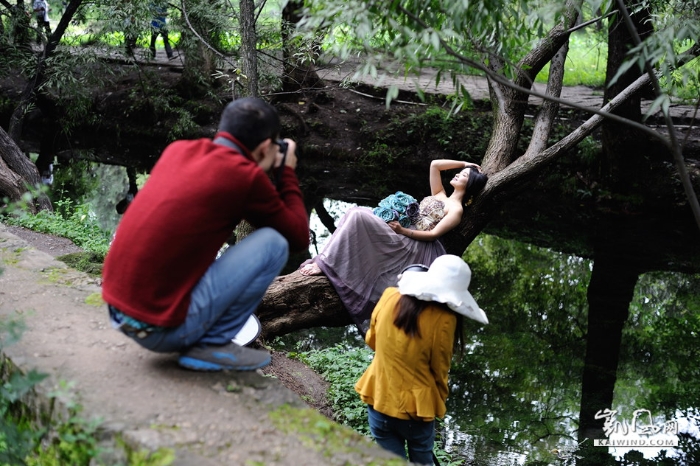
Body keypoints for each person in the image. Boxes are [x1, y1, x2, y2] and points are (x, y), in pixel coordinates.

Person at [101, 97, 309, 372]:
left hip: (118, 311)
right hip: (158, 330)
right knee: (274, 244)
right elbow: (298, 238)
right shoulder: (245, 177)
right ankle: (211, 345)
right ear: (264, 148)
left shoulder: (179, 150)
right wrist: (286, 173)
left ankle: (200, 338)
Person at [299, 159, 487, 331]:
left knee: (358, 216)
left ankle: (326, 264)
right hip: (402, 230)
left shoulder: (456, 210)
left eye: (463, 176)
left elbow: (433, 235)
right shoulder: (439, 194)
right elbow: (434, 165)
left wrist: (402, 231)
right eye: (460, 172)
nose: (457, 174)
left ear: (468, 184)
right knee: (355, 213)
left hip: (412, 243)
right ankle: (325, 261)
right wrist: (464, 164)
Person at [355, 255, 488, 465]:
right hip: (415, 411)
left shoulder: (390, 296)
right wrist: (438, 403)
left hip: (378, 397)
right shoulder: (445, 320)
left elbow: (372, 340)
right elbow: (439, 371)